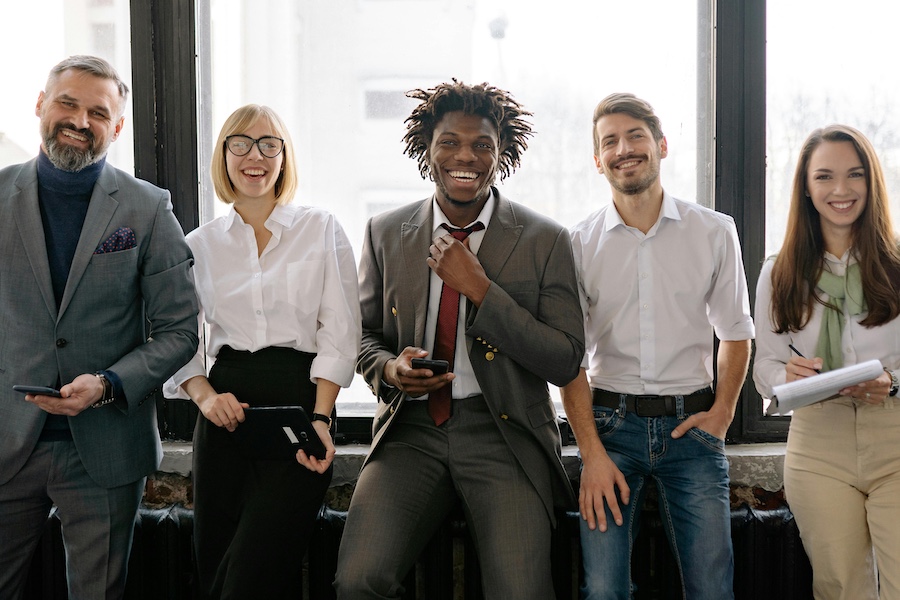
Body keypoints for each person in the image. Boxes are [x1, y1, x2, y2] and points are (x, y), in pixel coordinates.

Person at [333, 80, 584, 599]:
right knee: (358, 581)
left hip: (505, 434)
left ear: (502, 153)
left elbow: (564, 359)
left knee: (522, 592)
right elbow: (361, 336)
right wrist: (390, 370)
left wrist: (481, 290)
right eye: (449, 141)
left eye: (482, 145)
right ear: (427, 149)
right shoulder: (386, 231)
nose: (464, 155)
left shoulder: (546, 239)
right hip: (412, 432)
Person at [0, 55, 199, 599]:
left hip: (107, 450)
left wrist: (108, 383)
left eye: (98, 111)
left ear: (118, 126)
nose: (80, 120)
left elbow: (180, 331)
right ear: (41, 104)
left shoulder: (149, 208)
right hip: (6, 440)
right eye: (68, 102)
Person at [560, 93, 754, 599]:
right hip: (609, 433)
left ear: (662, 145)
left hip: (691, 432)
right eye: (610, 142)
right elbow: (570, 360)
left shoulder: (714, 232)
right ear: (597, 160)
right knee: (604, 590)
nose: (623, 149)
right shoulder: (578, 244)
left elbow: (736, 332)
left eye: (635, 136)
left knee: (712, 589)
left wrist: (721, 418)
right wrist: (591, 453)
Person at [163, 104, 361, 599]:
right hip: (224, 412)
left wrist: (321, 418)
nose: (256, 155)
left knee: (252, 574)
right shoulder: (198, 244)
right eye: (241, 144)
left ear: (284, 156)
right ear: (224, 155)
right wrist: (205, 397)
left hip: (299, 408)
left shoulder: (321, 228)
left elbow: (340, 332)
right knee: (216, 569)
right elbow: (174, 334)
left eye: (270, 144)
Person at [753, 125, 900, 599]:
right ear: (806, 187)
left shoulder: (897, 264)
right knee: (839, 587)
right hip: (819, 444)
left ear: (871, 183)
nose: (841, 190)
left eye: (854, 175)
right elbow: (765, 369)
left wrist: (892, 381)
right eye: (825, 177)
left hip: (894, 436)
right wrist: (786, 376)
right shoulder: (780, 271)